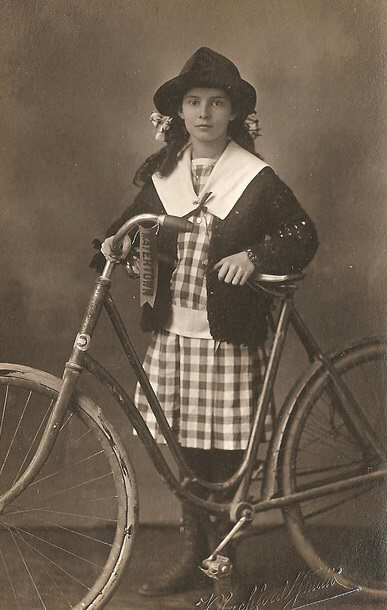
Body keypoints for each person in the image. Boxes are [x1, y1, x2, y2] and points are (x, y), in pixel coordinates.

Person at [92, 47, 318, 600]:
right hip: (176, 337)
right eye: (194, 102)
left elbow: (300, 235)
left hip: (228, 340)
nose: (204, 113)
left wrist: (255, 258)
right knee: (186, 451)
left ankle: (225, 562)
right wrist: (111, 244)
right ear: (179, 113)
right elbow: (127, 228)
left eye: (217, 103)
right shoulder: (165, 174)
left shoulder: (256, 179)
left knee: (226, 457)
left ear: (233, 113)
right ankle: (195, 552)